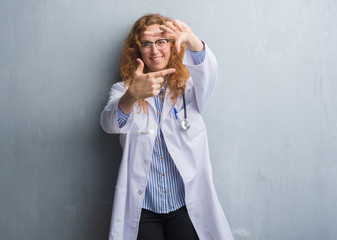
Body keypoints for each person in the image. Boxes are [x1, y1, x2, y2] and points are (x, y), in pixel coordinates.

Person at [100, 13, 234, 240]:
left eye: (161, 41)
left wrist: (192, 40)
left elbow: (208, 73)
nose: (155, 50)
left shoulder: (189, 88)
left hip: (184, 206)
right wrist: (132, 96)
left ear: (173, 45)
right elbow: (110, 123)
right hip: (144, 209)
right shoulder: (123, 90)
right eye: (147, 43)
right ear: (138, 50)